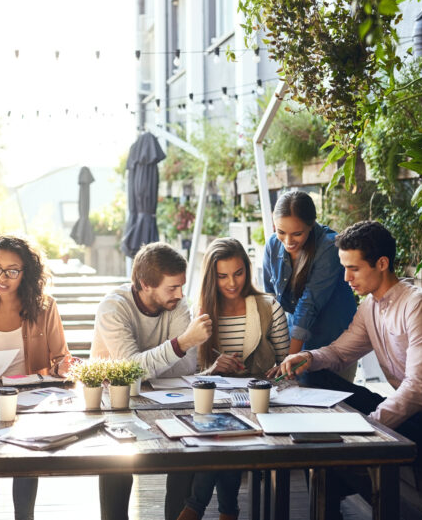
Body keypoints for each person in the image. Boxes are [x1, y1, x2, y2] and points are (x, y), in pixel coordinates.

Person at [274, 221, 422, 517]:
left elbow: (419, 388)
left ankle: (341, 480)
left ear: (381, 263)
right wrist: (308, 357)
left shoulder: (420, 306)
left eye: (353, 268)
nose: (345, 277)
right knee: (314, 373)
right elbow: (339, 352)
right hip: (408, 415)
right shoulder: (369, 306)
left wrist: (368, 425)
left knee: (333, 457)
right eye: (343, 267)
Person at [91, 242, 214, 520]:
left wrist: (148, 364)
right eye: (172, 288)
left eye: (182, 286)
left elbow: (183, 370)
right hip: (116, 405)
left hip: (170, 401)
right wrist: (181, 343)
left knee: (187, 448)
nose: (180, 294)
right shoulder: (113, 308)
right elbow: (131, 369)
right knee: (117, 459)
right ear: (145, 284)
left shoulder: (178, 304)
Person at [172, 238, 290, 520]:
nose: (232, 283)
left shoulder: (268, 307)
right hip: (213, 404)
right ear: (211, 276)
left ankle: (195, 508)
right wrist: (213, 369)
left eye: (238, 273)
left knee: (225, 431)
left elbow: (287, 368)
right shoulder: (199, 312)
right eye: (222, 276)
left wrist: (271, 378)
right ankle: (228, 511)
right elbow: (189, 375)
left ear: (247, 271)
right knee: (223, 430)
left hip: (259, 402)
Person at [0, 235, 73, 520]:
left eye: (12, 270)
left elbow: (61, 358)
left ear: (27, 274)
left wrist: (63, 367)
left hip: (30, 397)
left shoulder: (45, 307)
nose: (2, 277)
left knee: (26, 458)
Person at [262, 190, 356, 380]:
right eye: (281, 232)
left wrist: (289, 359)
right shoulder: (272, 244)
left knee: (336, 403)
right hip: (294, 340)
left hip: (333, 342)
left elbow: (308, 305)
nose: (288, 241)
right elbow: (269, 300)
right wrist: (277, 354)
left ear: (311, 224)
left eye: (297, 234)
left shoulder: (329, 246)